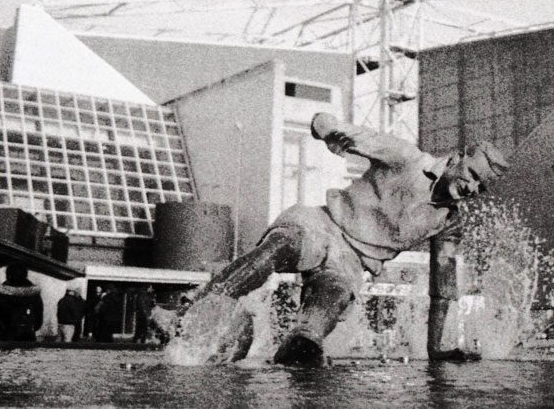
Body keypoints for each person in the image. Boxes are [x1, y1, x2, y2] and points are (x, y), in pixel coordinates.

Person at [176, 112, 507, 366]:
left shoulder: (449, 222)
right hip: (322, 224)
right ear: (458, 157)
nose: (473, 188)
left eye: (481, 188)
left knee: (324, 313)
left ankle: (296, 348)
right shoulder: (406, 157)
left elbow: (442, 290)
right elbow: (348, 132)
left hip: (351, 262)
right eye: (474, 175)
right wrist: (325, 126)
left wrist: (438, 350)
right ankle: (191, 313)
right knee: (280, 247)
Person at [0, 262, 44, 341]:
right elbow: (38, 321)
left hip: (2, 337)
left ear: (8, 275)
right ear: (25, 275)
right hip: (26, 338)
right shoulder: (34, 295)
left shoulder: (0, 294)